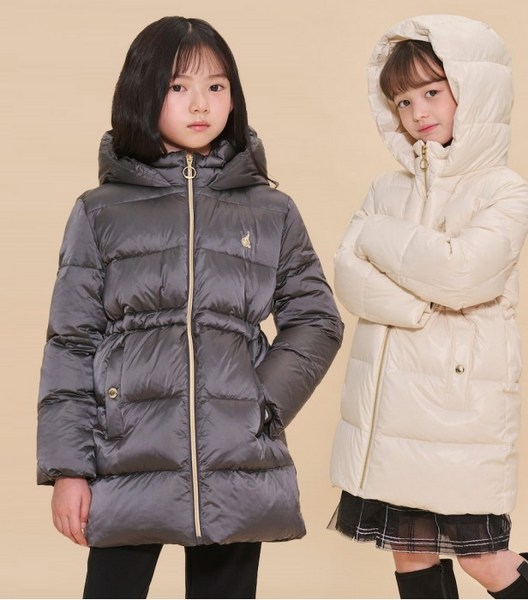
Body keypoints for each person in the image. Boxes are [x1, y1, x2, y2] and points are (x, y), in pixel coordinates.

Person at [37, 16, 343, 599]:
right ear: (142, 92)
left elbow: (316, 320)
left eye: (216, 85)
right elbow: (71, 343)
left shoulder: (270, 210)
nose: (200, 103)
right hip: (124, 452)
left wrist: (261, 405)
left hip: (235, 456)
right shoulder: (99, 212)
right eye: (178, 86)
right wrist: (68, 468)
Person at [328, 14, 528, 599]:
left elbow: (463, 276)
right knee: (410, 553)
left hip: (458, 409)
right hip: (391, 411)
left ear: (472, 90)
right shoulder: (387, 188)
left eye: (433, 92)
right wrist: (416, 307)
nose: (418, 112)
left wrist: (376, 235)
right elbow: (348, 277)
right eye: (403, 102)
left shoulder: (505, 190)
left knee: (484, 556)